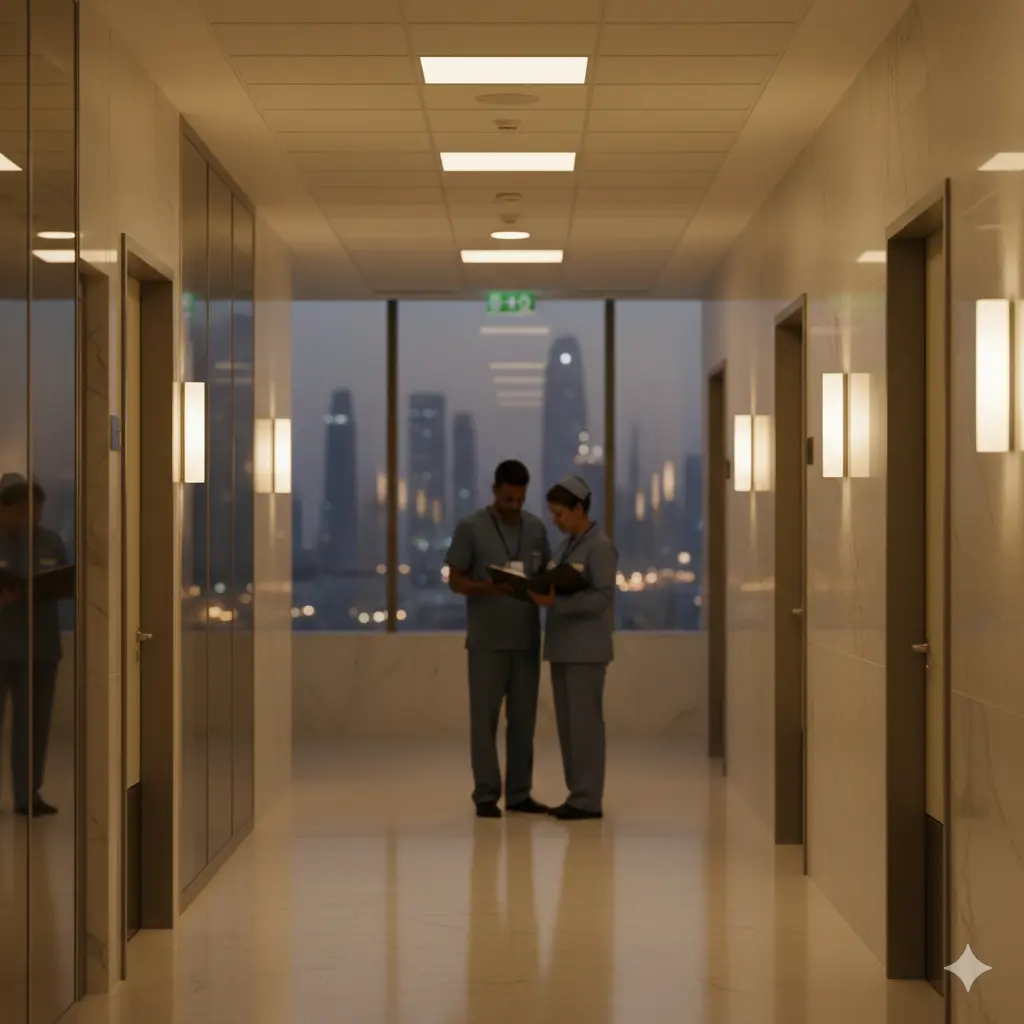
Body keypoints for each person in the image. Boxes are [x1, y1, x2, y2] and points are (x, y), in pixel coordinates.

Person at [446, 460, 552, 818]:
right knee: (485, 722)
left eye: (520, 499)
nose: (514, 505)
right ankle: (486, 795)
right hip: (486, 643)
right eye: (508, 498)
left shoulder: (536, 529)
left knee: (523, 723)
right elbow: (455, 580)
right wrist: (486, 589)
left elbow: (546, 577)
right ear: (494, 491)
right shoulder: (471, 528)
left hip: (525, 641)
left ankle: (520, 793)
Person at [531, 475, 617, 821]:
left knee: (585, 726)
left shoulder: (599, 546)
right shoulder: (568, 545)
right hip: (563, 647)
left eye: (560, 514)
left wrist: (556, 604)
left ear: (579, 508)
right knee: (568, 727)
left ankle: (588, 798)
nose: (556, 520)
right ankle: (577, 793)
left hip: (586, 650)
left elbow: (603, 597)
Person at [0, 474, 68, 817]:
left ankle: (29, 795)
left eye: (36, 511)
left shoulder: (50, 542)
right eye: (22, 511)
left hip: (40, 646)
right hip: (2, 643)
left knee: (34, 726)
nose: (30, 519)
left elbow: (66, 580)